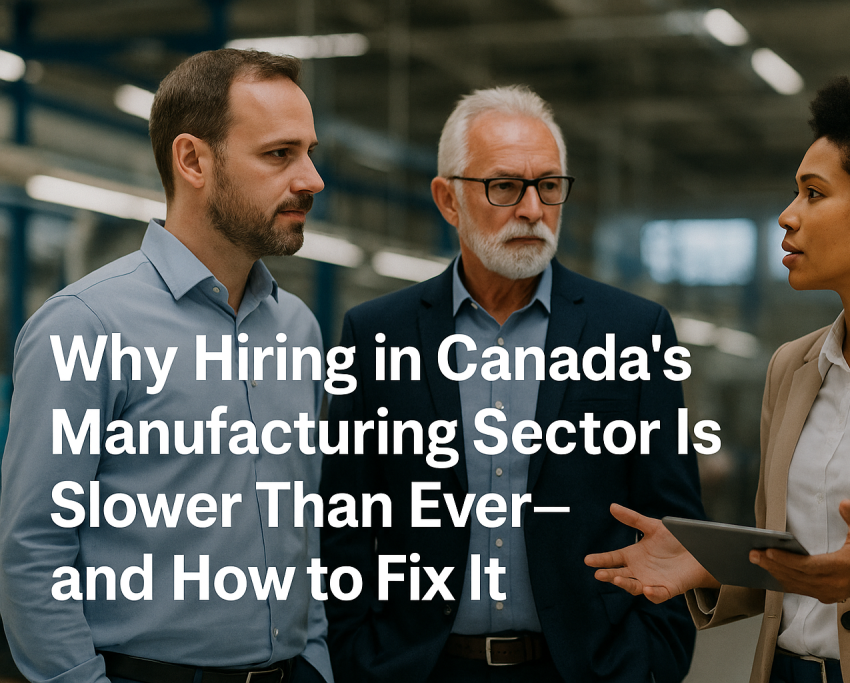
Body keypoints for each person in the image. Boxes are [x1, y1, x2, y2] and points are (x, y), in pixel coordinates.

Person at [586, 65, 850, 683]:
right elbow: (792, 562)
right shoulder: (791, 366)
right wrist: (712, 561)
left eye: (814, 194)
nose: (788, 217)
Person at [319, 85, 704, 683]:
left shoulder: (633, 332)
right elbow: (345, 522)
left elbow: (674, 520)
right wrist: (358, 657)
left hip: (589, 670)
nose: (531, 209)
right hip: (421, 669)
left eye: (548, 186)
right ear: (448, 199)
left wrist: (652, 659)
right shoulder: (376, 336)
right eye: (504, 186)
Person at [0, 49, 332, 683]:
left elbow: (301, 526)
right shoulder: (86, 325)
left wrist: (314, 656)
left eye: (309, 151)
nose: (311, 178)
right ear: (192, 160)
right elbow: (32, 552)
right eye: (279, 154)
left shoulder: (298, 332)